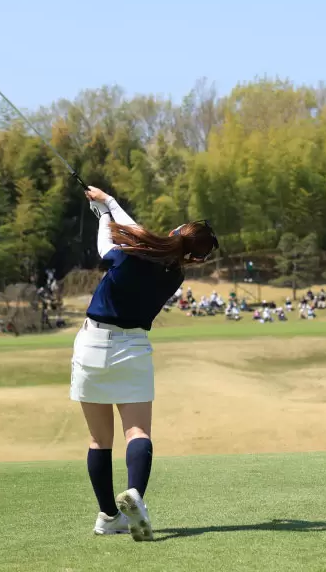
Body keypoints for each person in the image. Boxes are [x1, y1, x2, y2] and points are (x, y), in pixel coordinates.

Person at [73, 186, 218, 541]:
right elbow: (138, 236)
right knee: (137, 433)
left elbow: (106, 247)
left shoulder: (130, 254)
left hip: (92, 342)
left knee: (98, 439)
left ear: (175, 231)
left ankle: (108, 516)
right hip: (133, 347)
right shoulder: (175, 276)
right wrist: (108, 204)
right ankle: (135, 493)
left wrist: (105, 215)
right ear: (194, 258)